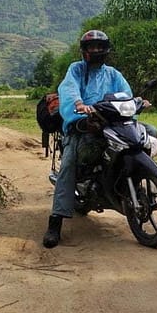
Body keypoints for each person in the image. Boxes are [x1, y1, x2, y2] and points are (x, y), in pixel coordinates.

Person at [42, 29, 132, 248]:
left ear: (106, 49)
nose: (96, 50)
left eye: (100, 46)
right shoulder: (76, 69)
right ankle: (55, 221)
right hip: (80, 126)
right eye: (91, 47)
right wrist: (79, 106)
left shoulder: (113, 74)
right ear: (84, 50)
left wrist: (136, 102)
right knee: (70, 162)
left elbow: (125, 93)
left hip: (110, 124)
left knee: (147, 135)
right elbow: (69, 90)